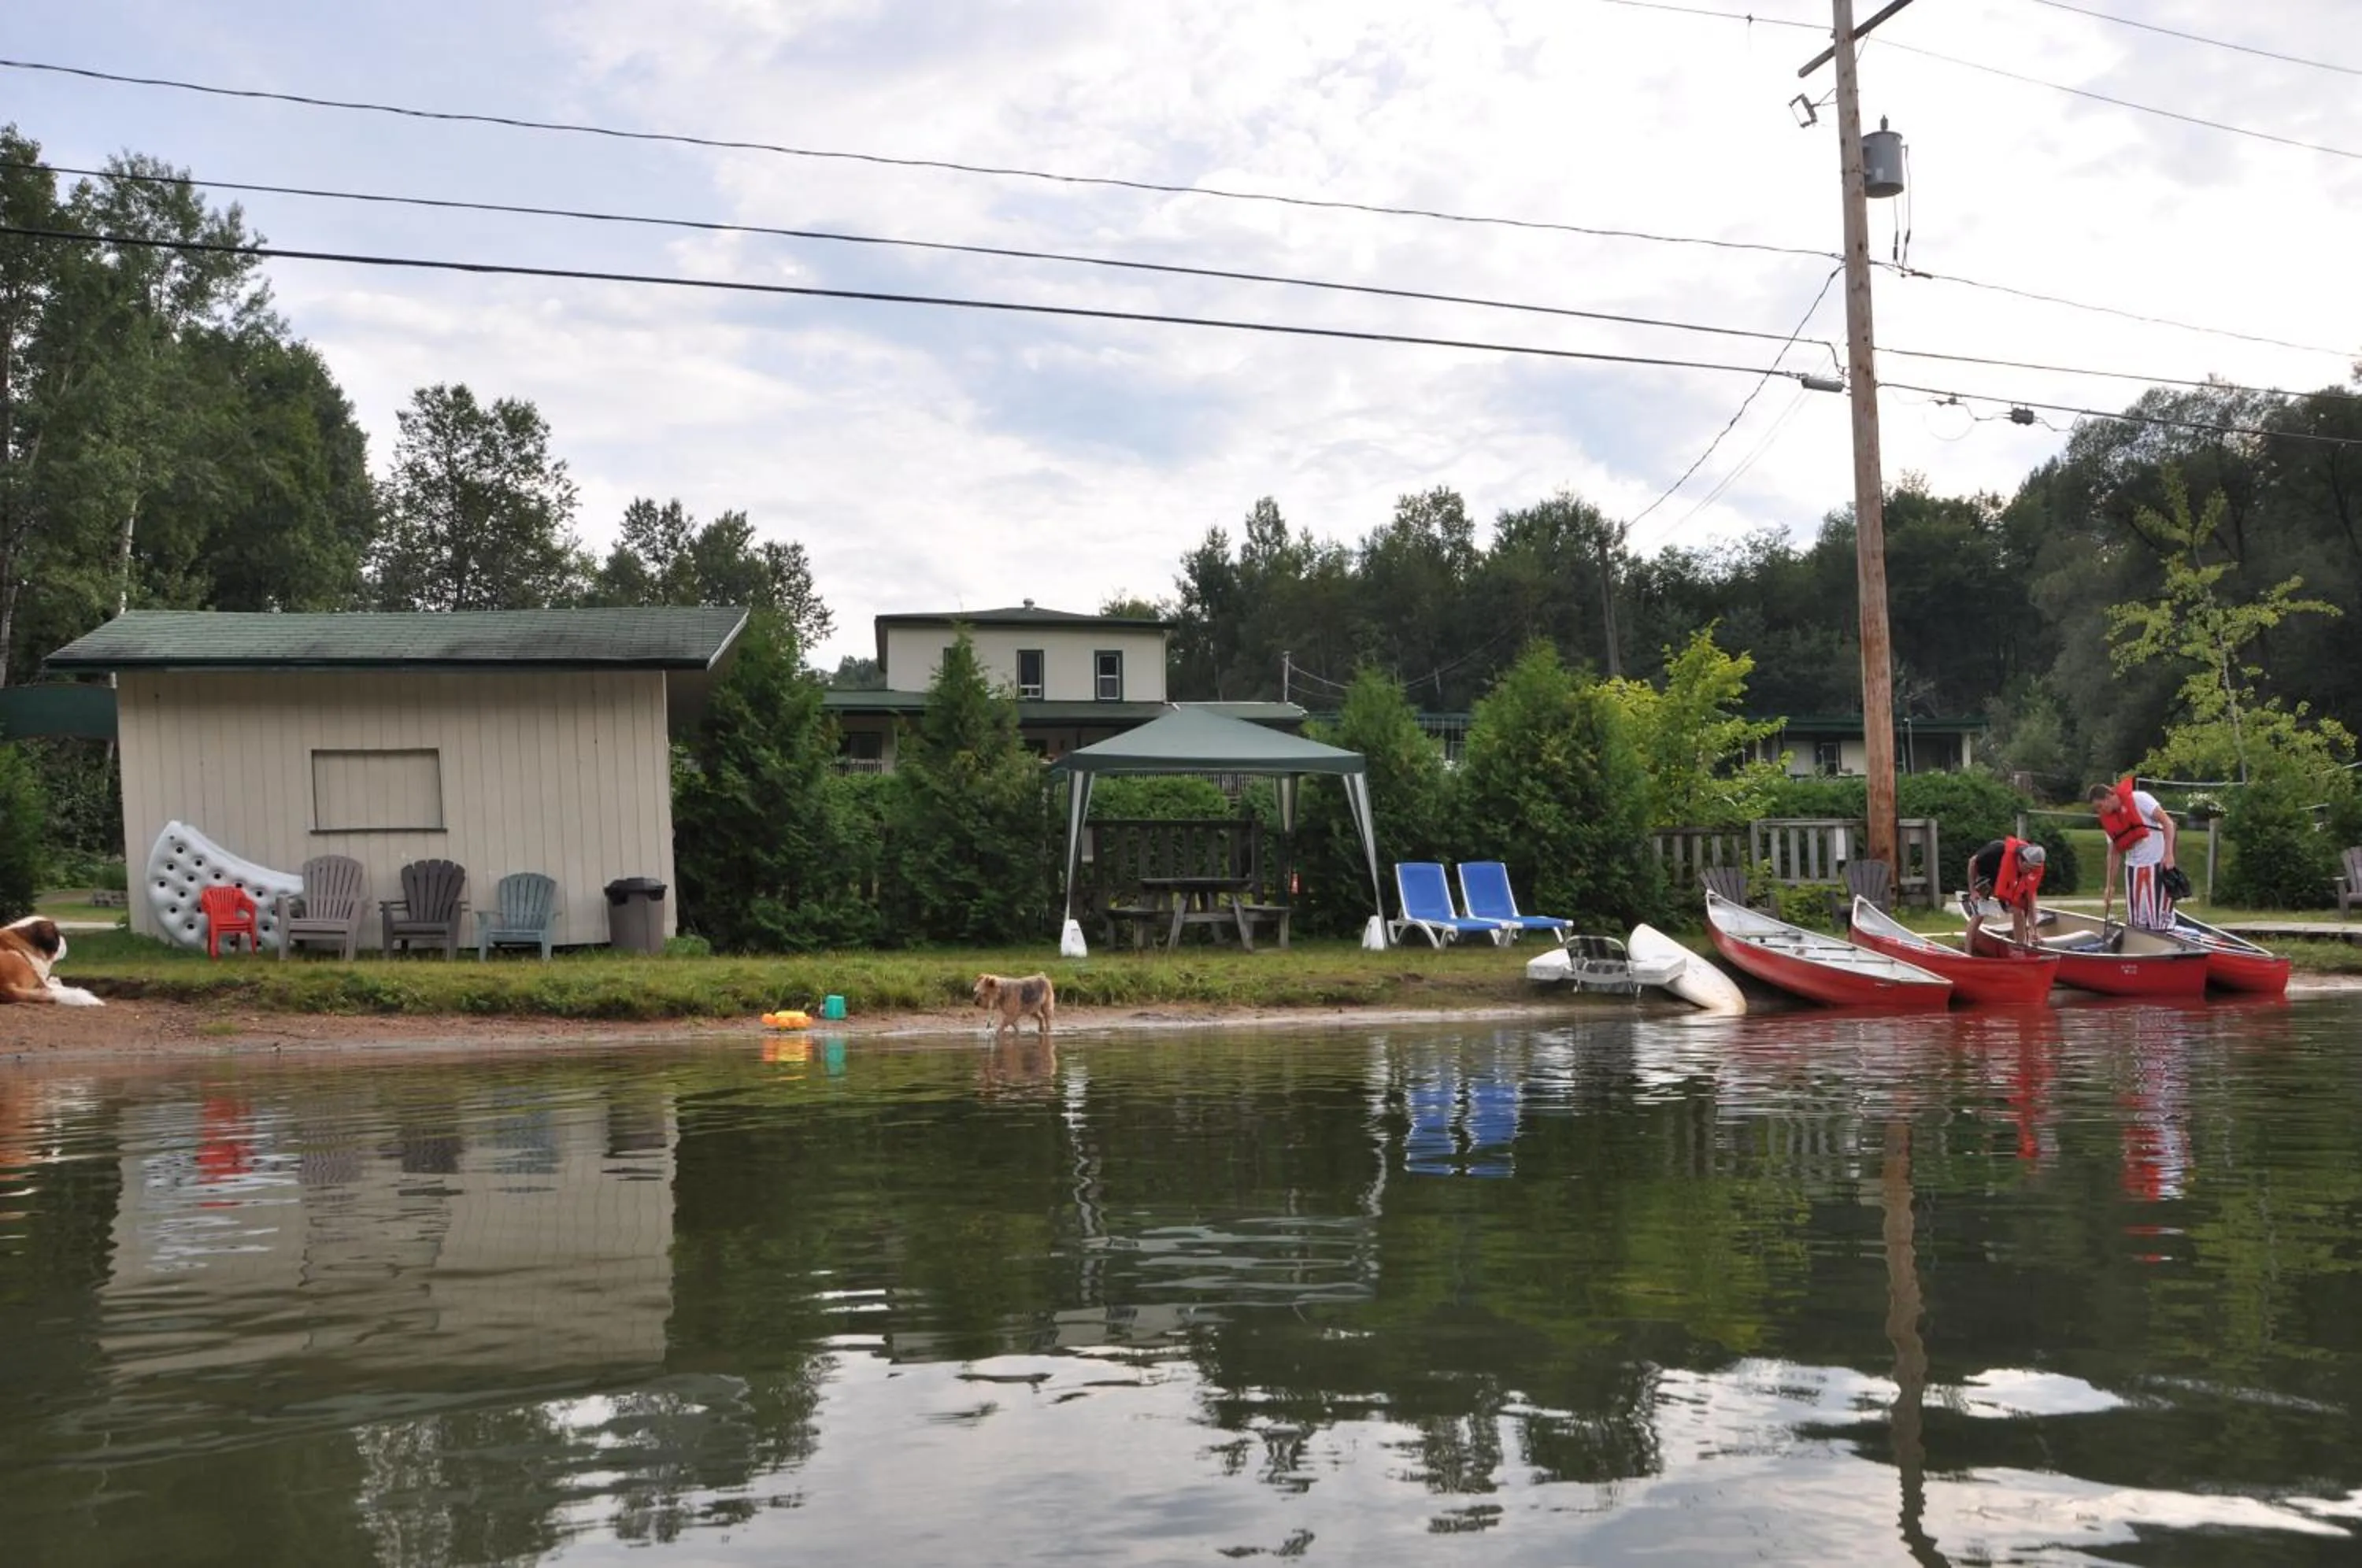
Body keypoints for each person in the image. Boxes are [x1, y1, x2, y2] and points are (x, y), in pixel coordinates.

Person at [2090, 777, 2178, 930]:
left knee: (2159, 920)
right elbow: (2113, 853)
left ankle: (2167, 942)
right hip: (2133, 868)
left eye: (2100, 806)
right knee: (2136, 922)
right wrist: (2109, 886)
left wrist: (2169, 854)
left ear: (2108, 796)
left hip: (2156, 864)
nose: (2100, 811)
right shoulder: (2109, 820)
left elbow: (2168, 823)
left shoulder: (2140, 799)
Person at [1964, 836, 2046, 948]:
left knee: (2019, 912)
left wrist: (2033, 929)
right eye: (2028, 868)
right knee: (1980, 912)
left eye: (2033, 870)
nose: (2029, 872)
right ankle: (1968, 951)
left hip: (2004, 882)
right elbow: (1972, 862)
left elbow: (2030, 899)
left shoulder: (2030, 868)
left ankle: (2021, 948)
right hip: (1987, 877)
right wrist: (1972, 890)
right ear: (2020, 859)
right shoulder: (1997, 850)